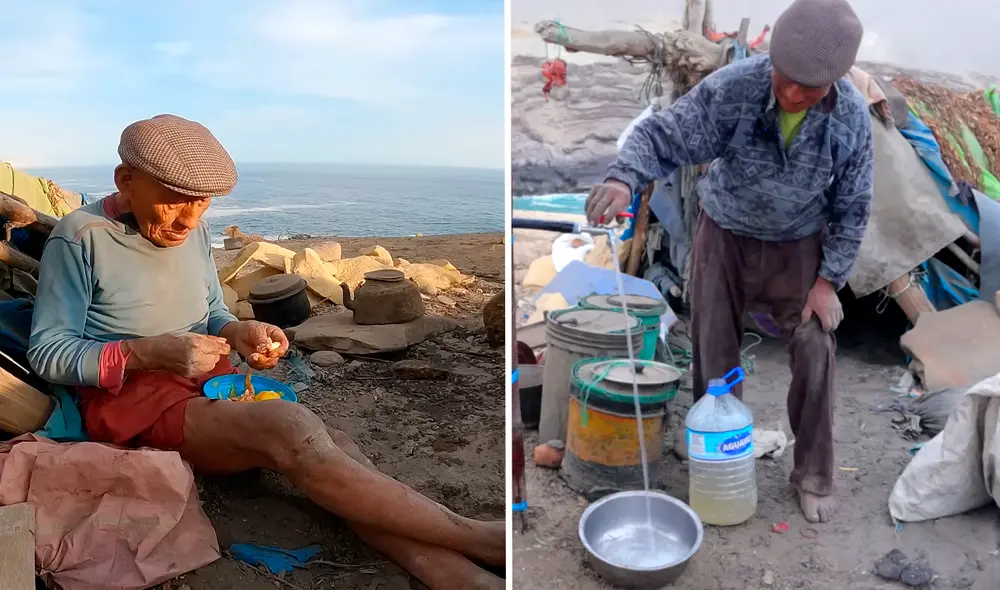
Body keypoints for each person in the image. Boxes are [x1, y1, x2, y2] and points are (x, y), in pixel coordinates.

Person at [26, 114, 504, 589]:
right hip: (137, 403)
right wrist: (149, 353)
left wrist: (240, 331)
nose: (189, 220)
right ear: (126, 180)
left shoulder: (194, 233)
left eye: (201, 203)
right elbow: (48, 353)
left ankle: (449, 571)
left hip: (210, 383)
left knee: (333, 444)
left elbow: (212, 310)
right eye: (174, 200)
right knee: (290, 428)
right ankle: (479, 538)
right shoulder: (80, 237)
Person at [585, 0, 873, 523]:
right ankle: (711, 442)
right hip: (725, 234)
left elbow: (854, 206)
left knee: (816, 344)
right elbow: (663, 134)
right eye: (785, 78)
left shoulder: (850, 117)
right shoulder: (736, 87)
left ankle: (812, 473)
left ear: (833, 81)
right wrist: (623, 177)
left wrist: (828, 281)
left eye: (808, 88)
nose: (791, 94)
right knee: (713, 343)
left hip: (798, 245)